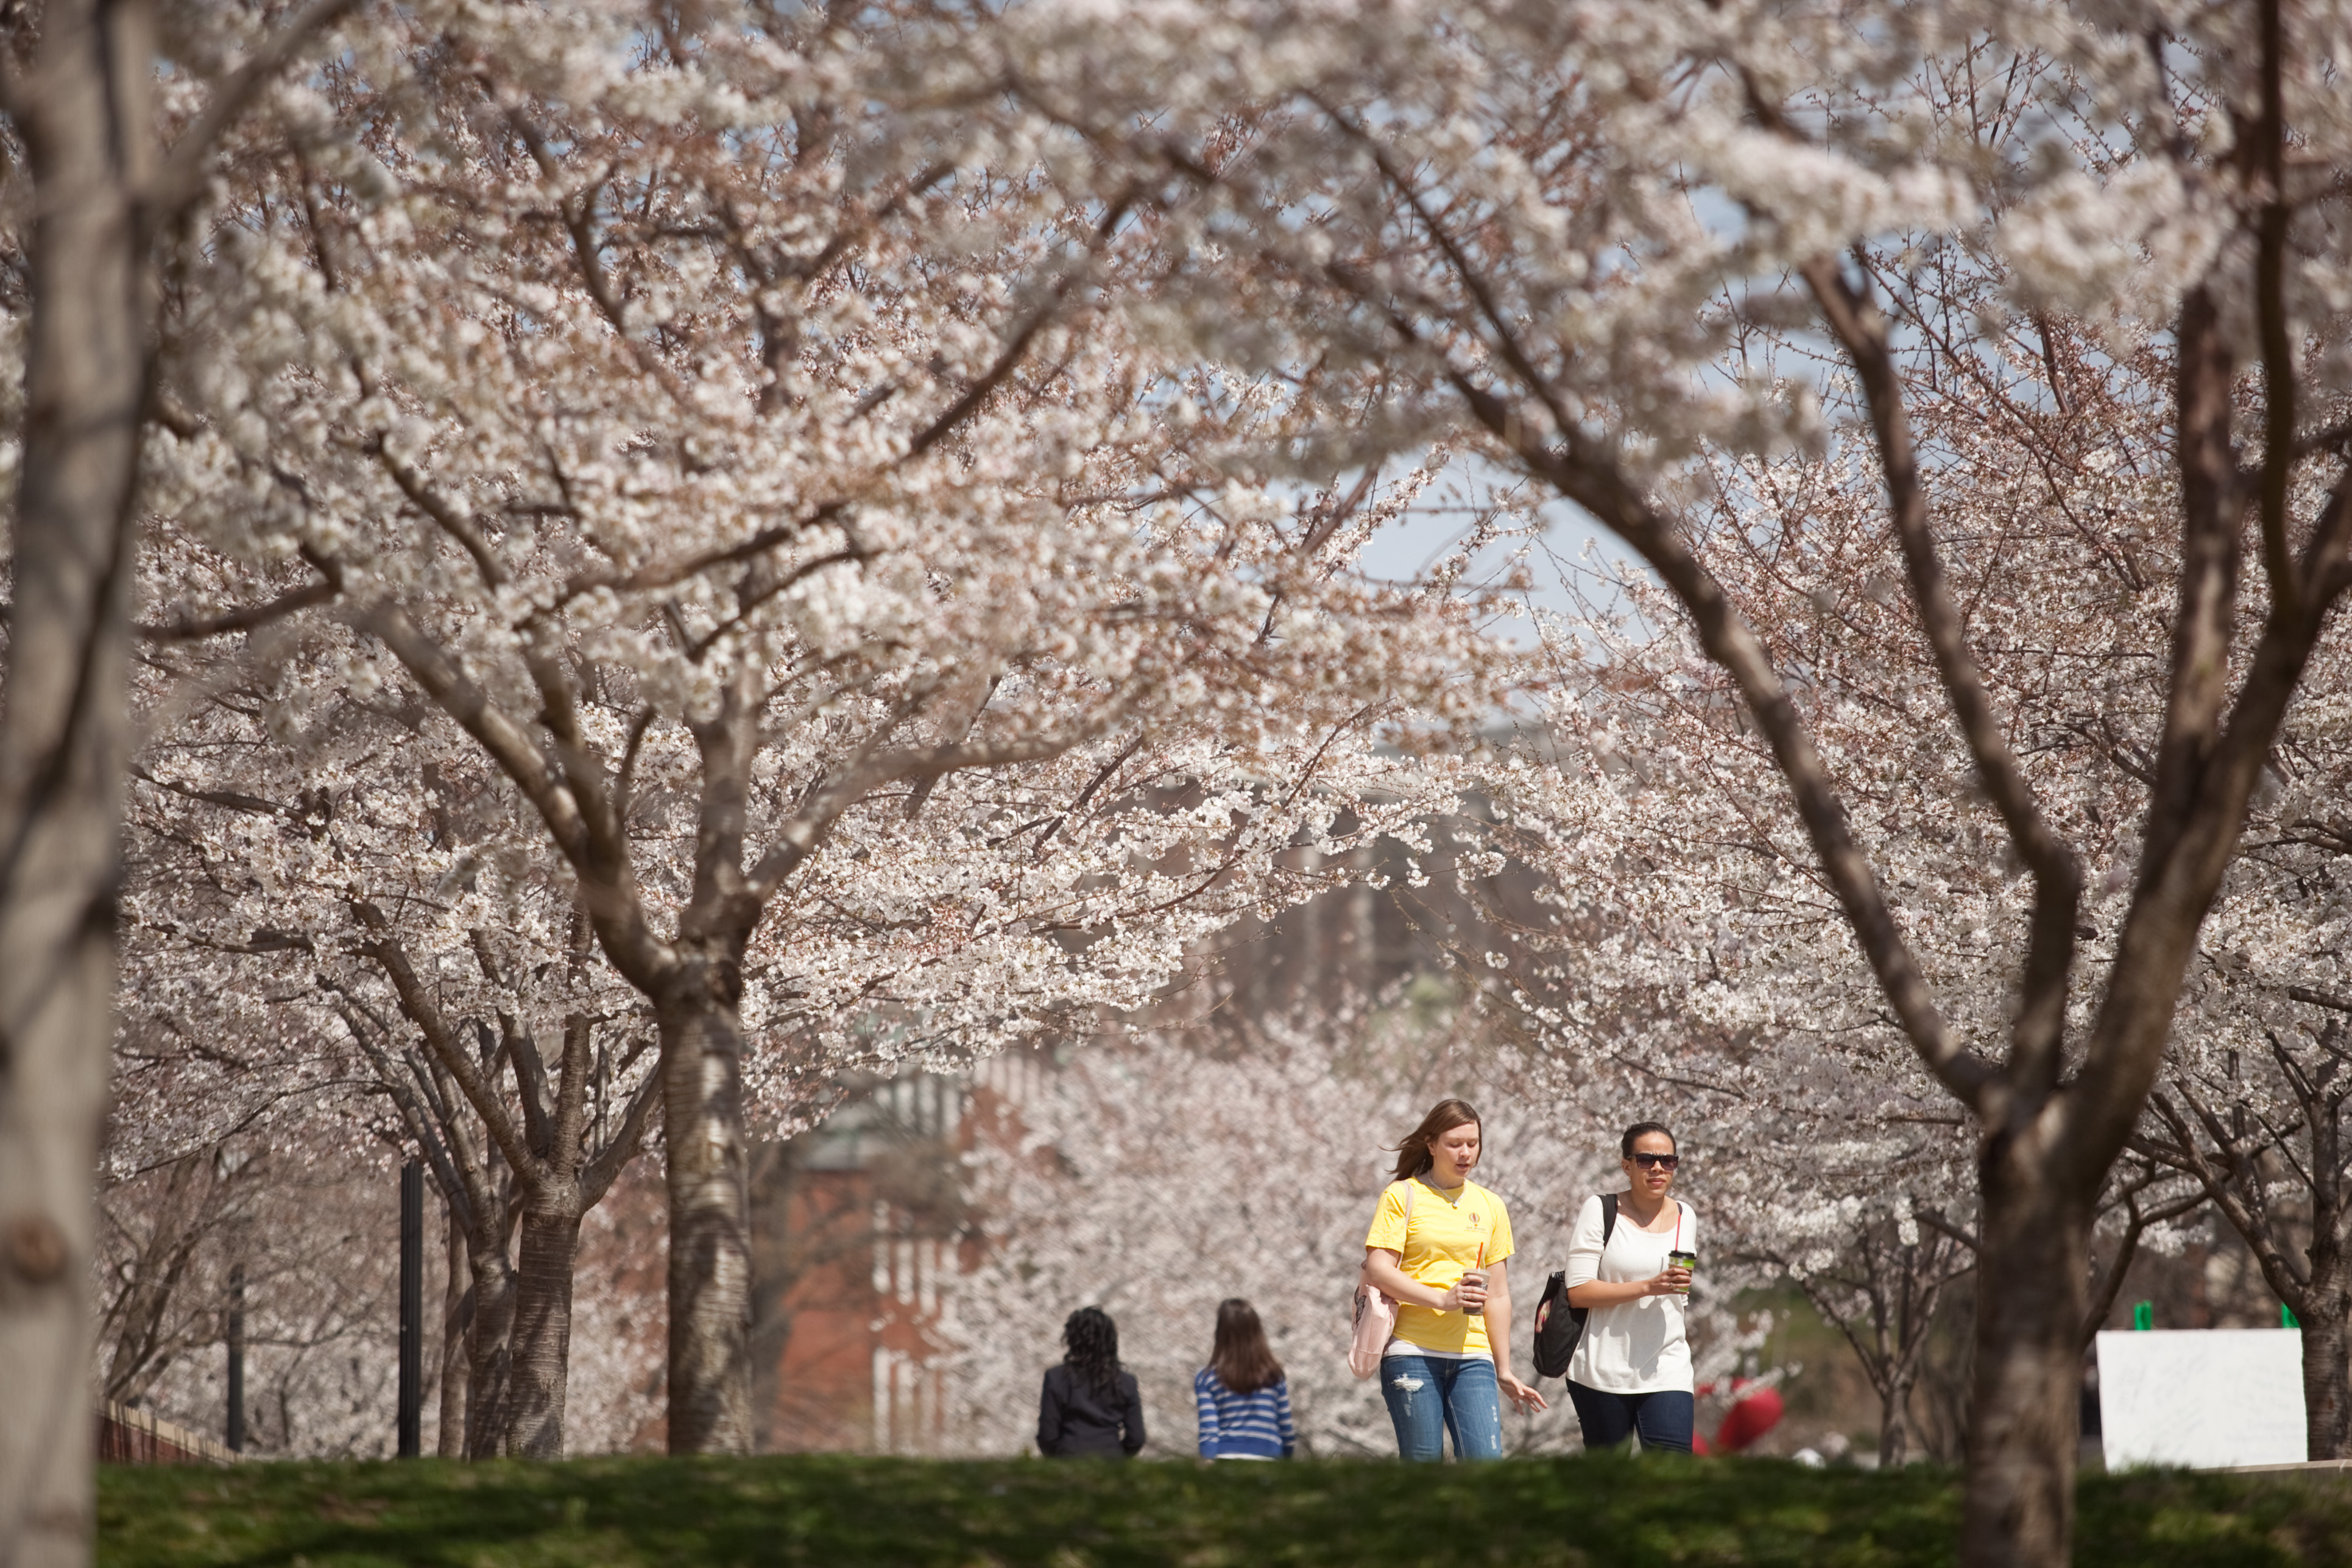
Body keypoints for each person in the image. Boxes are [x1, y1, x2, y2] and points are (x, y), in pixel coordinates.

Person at [1362, 1097, 1548, 1462]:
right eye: (1454, 1144)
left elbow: (1498, 1294)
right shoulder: (1403, 1195)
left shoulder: (1491, 1205)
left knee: (1485, 1465)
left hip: (1473, 1356)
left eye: (1473, 1144)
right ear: (1431, 1145)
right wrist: (1441, 1299)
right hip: (1411, 1351)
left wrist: (1504, 1368)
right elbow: (1378, 1269)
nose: (1465, 1153)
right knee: (1423, 1466)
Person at [1563, 1121, 1698, 1453]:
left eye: (1668, 1160)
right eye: (1646, 1160)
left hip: (1667, 1365)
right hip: (1603, 1369)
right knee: (1610, 1478)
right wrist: (1648, 1287)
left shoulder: (1686, 1216)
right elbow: (1578, 1292)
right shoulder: (1601, 1210)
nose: (1658, 1168)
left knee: (1671, 1473)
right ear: (1627, 1166)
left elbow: (1678, 1294)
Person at [1194, 1298, 1297, 1460]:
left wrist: (1207, 1460)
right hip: (1268, 1456)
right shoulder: (1274, 1375)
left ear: (1220, 1333)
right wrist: (1287, 1459)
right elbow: (1286, 1429)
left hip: (1226, 1455)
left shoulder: (1207, 1378)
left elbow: (1209, 1430)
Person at [1037, 1305, 1146, 1458]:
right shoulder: (1126, 1382)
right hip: (1111, 1459)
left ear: (1072, 1339)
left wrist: (1058, 1457)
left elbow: (1048, 1435)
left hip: (1068, 1459)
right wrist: (1118, 1456)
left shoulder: (1056, 1377)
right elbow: (1137, 1437)